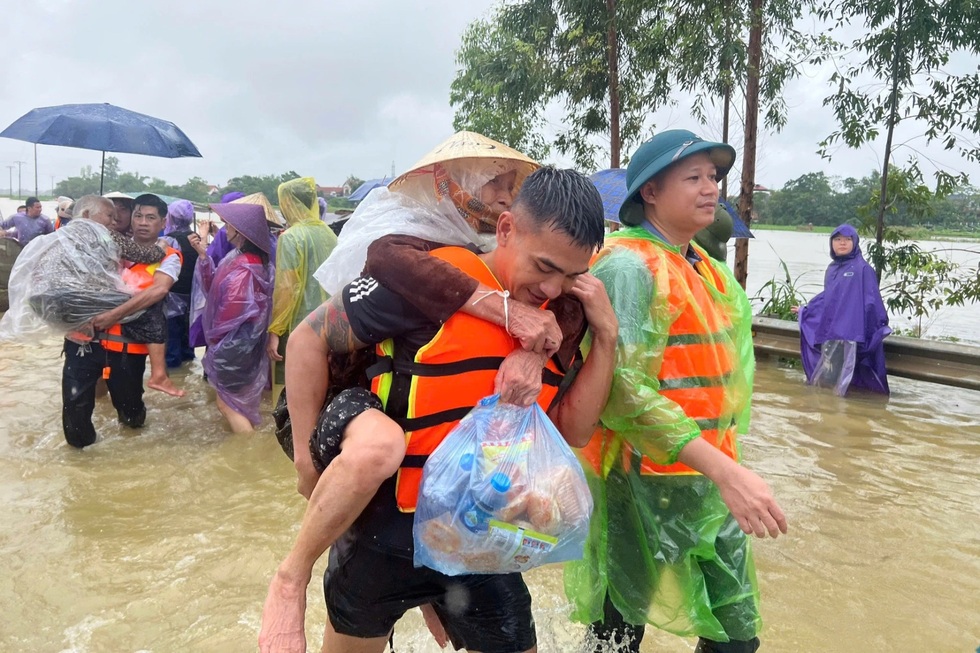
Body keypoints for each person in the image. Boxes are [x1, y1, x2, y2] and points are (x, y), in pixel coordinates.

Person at [258, 167, 617, 653]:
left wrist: (608, 339)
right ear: (506, 229)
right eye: (545, 267)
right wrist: (304, 457)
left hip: (476, 545)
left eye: (572, 274)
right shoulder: (429, 283)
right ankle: (289, 579)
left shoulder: (564, 319)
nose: (554, 288)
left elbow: (573, 432)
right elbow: (308, 339)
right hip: (380, 537)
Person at [564, 130, 788, 653]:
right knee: (617, 634)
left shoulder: (707, 269)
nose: (710, 188)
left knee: (735, 636)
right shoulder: (628, 266)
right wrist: (727, 471)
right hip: (637, 481)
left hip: (711, 479)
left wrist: (726, 469)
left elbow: (729, 387)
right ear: (650, 192)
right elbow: (623, 392)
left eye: (713, 177)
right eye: (693, 177)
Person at [187, 202, 274, 431]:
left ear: (240, 231)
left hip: (234, 345)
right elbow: (214, 287)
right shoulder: (242, 259)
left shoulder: (245, 266)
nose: (225, 230)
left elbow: (232, 310)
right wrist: (204, 256)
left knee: (227, 405)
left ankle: (247, 454)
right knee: (237, 402)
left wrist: (216, 341)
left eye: (228, 225)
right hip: (243, 345)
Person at [94, 194, 185, 398]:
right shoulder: (111, 244)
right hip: (95, 337)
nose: (143, 223)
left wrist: (113, 315)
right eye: (138, 216)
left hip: (129, 344)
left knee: (130, 410)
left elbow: (159, 290)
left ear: (163, 222)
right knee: (93, 399)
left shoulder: (170, 255)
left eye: (151, 218)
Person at [797, 224, 890, 395]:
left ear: (855, 243)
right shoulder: (832, 269)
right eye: (838, 239)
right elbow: (829, 298)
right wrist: (807, 310)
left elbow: (872, 300)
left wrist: (875, 326)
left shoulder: (862, 269)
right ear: (831, 243)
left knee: (844, 384)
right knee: (828, 383)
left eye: (848, 239)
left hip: (852, 335)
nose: (842, 243)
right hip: (833, 334)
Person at [266, 177, 338, 397]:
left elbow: (287, 288)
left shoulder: (290, 237)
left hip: (298, 324)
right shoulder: (329, 233)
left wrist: (275, 330)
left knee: (292, 390)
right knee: (322, 385)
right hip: (329, 322)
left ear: (288, 203)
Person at [162, 199, 199, 368]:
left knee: (171, 337)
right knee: (186, 335)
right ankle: (188, 368)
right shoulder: (196, 238)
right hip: (192, 295)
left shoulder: (168, 240)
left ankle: (173, 372)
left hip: (172, 295)